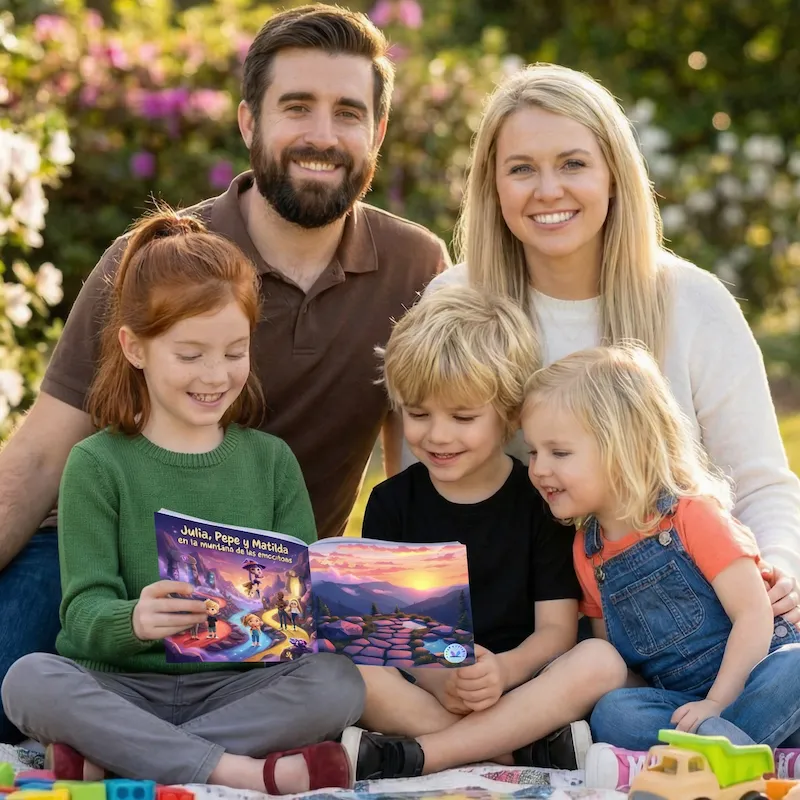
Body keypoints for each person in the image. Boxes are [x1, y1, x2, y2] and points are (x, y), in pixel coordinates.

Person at [0, 4, 448, 742]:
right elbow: (40, 457)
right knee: (9, 686)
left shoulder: (416, 266)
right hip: (105, 560)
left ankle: (142, 747)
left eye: (347, 112)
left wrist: (422, 634)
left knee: (331, 688)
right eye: (296, 107)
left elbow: (417, 477)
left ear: (377, 132)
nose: (322, 135)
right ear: (248, 122)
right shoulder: (160, 262)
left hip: (264, 588)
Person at [1, 210, 365, 794]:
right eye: (190, 355)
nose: (215, 376)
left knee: (338, 683)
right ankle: (235, 770)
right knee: (28, 680)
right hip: (123, 685)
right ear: (135, 348)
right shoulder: (97, 464)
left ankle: (122, 754)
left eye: (234, 352)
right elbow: (82, 614)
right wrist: (134, 620)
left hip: (235, 687)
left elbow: (301, 610)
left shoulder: (272, 462)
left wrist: (333, 607)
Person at [417, 62, 800, 615]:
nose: (549, 190)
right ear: (492, 186)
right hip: (506, 623)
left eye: (573, 163)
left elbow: (761, 485)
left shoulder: (694, 302)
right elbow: (423, 480)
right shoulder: (455, 301)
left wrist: (780, 568)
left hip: (688, 620)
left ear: (614, 174)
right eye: (521, 169)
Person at [337, 286, 627, 782]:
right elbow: (388, 633)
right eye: (418, 414)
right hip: (426, 687)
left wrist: (504, 672)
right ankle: (516, 751)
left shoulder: (541, 501)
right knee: (345, 663)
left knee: (601, 661)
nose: (438, 435)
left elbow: (556, 632)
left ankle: (424, 752)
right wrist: (441, 681)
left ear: (510, 414)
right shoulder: (391, 503)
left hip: (522, 685)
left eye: (463, 417)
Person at [521, 344, 800, 787]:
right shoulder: (587, 552)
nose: (538, 469)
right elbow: (620, 663)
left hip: (759, 676)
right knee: (613, 712)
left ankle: (712, 762)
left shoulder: (692, 515)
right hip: (685, 704)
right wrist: (685, 707)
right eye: (533, 452)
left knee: (796, 667)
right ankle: (757, 759)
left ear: (622, 448)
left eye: (558, 452)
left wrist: (716, 704)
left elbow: (754, 615)